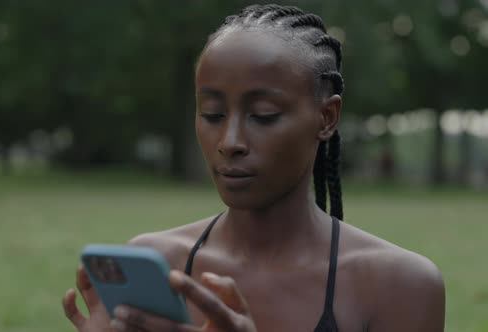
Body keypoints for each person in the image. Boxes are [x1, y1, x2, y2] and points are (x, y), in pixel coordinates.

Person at [62, 4, 445, 332]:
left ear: (327, 118)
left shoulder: (397, 284)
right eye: (212, 113)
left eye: (263, 115)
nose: (229, 141)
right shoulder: (158, 263)